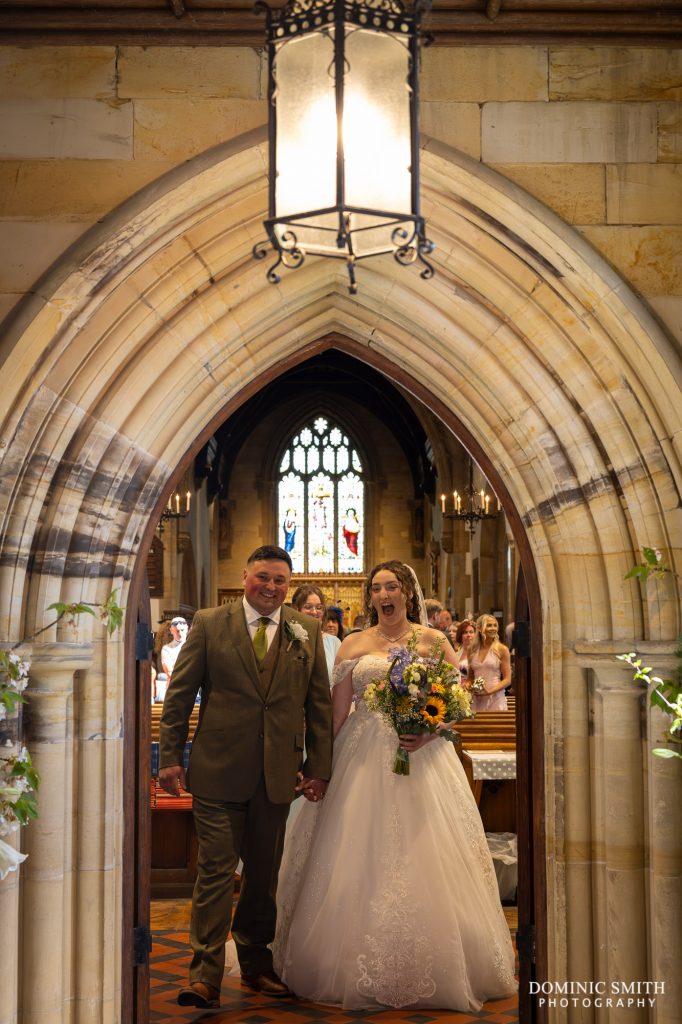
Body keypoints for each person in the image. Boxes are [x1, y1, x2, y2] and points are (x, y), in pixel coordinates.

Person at [273, 561, 517, 1011]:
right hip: (360, 758)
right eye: (376, 589)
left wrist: (429, 728)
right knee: (355, 849)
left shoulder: (433, 641)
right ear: (370, 599)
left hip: (424, 755)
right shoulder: (354, 644)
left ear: (407, 593)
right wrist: (317, 765)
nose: (384, 594)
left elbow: (458, 701)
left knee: (427, 851)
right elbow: (337, 714)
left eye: (392, 587)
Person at [158, 545, 333, 1010]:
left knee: (262, 876)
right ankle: (204, 975)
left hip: (277, 775)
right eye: (263, 577)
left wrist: (318, 769)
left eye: (280, 580)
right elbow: (180, 695)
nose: (271, 587)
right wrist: (170, 757)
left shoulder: (306, 630)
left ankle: (257, 965)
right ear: (244, 577)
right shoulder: (212, 623)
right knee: (215, 872)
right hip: (217, 771)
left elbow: (318, 706)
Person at [290, 584, 340, 682]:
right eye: (308, 607)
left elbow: (340, 680)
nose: (314, 612)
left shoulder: (334, 642)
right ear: (296, 609)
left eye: (318, 607)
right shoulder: (288, 639)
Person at [466, 614, 512, 711]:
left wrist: (489, 691)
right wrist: (468, 685)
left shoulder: (502, 649)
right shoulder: (472, 650)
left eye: (495, 625)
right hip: (476, 698)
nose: (493, 628)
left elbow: (507, 679)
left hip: (495, 698)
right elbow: (470, 678)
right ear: (479, 628)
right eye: (489, 625)